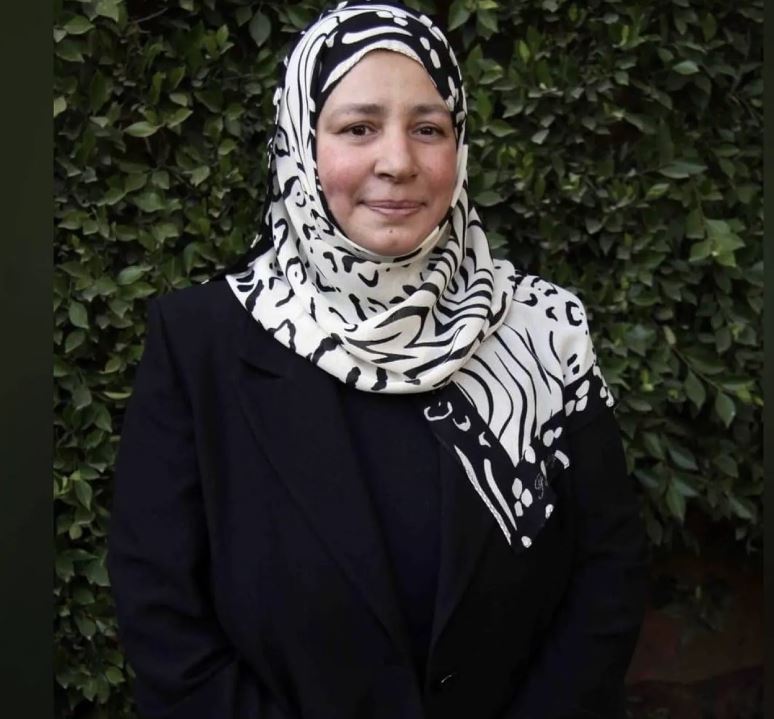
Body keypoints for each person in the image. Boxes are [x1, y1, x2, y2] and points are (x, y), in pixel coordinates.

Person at [106, 2, 648, 718]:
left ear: (460, 145)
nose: (397, 161)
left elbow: (608, 565)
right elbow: (162, 611)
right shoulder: (200, 344)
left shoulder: (544, 329)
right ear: (302, 144)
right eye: (358, 128)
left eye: (428, 128)